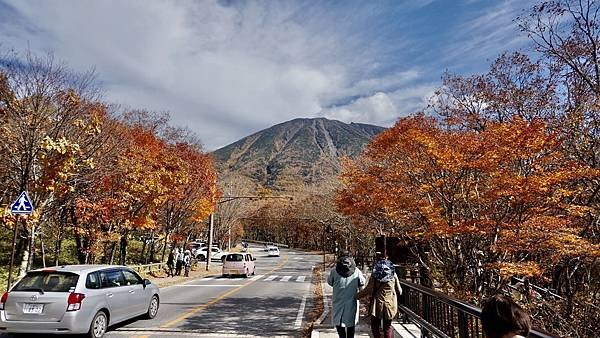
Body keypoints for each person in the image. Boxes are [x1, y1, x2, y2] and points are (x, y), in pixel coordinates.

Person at [357, 253, 402, 338]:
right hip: (390, 304)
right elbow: (400, 291)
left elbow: (368, 289)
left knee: (375, 325)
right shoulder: (393, 275)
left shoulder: (375, 275)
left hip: (377, 305)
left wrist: (357, 296)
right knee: (387, 327)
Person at [327, 251, 365, 338]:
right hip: (351, 301)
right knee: (351, 323)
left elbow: (330, 282)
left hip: (338, 300)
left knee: (339, 322)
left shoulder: (334, 271)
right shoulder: (357, 271)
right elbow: (362, 283)